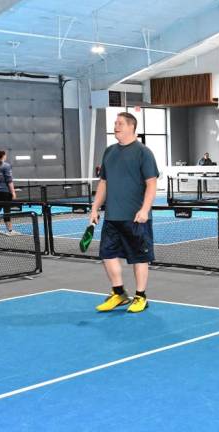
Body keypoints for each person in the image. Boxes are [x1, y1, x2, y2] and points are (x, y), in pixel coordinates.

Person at [89, 112, 159, 314]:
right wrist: (95, 207)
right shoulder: (109, 151)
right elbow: (104, 183)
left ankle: (141, 297)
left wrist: (145, 209)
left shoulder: (143, 152)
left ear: (131, 127)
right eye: (115, 123)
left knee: (139, 258)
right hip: (112, 217)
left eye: (120, 123)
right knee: (107, 255)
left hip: (136, 217)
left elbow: (151, 184)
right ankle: (118, 293)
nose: (115, 126)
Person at [0, 150, 19, 235]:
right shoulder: (6, 165)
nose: (6, 157)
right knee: (7, 211)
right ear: (3, 156)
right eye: (5, 155)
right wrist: (13, 192)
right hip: (4, 192)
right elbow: (9, 180)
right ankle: (10, 231)